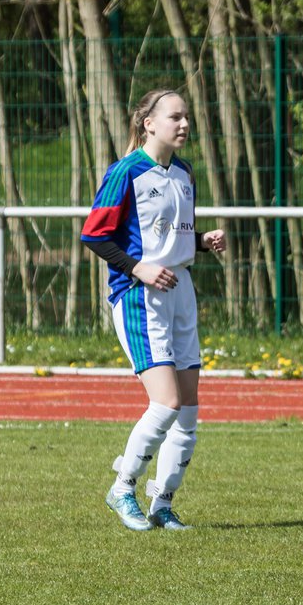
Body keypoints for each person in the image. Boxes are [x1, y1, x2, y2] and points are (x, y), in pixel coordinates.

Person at [81, 89, 227, 532]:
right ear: (149, 123)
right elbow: (94, 234)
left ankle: (162, 503)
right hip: (139, 298)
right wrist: (138, 268)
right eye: (175, 117)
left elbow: (168, 235)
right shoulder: (126, 172)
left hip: (181, 292)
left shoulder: (184, 173)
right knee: (165, 403)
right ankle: (122, 488)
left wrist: (200, 241)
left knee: (188, 412)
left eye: (187, 117)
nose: (184, 125)